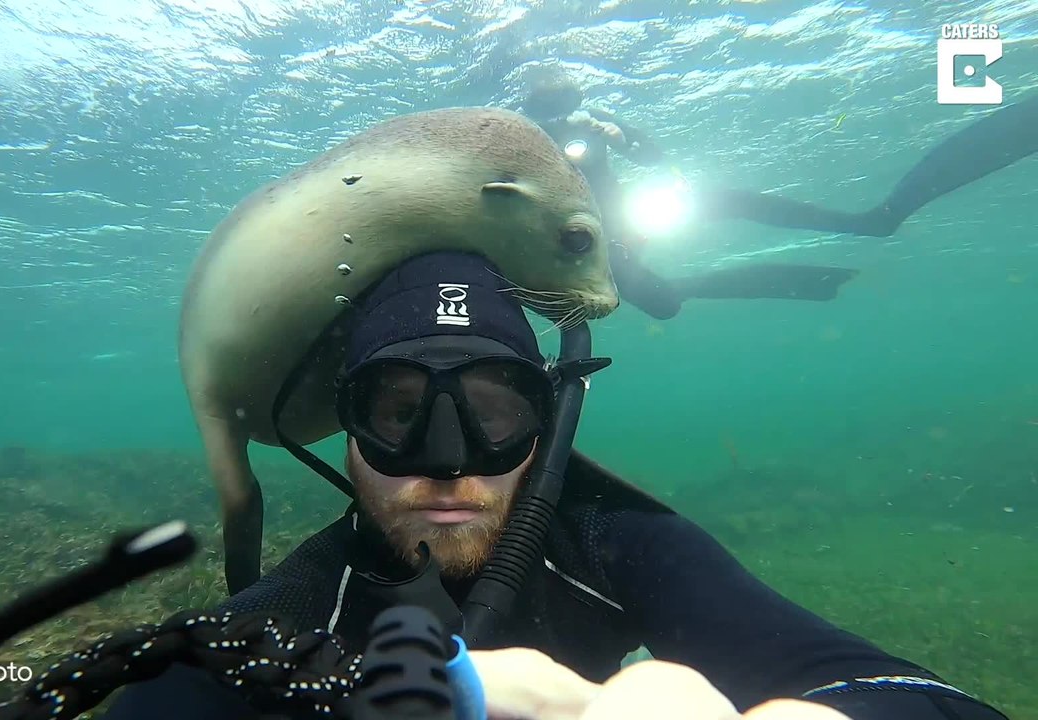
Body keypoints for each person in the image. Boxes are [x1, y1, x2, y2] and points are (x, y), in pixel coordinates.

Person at [102, 251, 1009, 720]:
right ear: (347, 432)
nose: (447, 460)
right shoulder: (306, 600)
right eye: (398, 412)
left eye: (494, 414)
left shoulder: (610, 541)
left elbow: (930, 702)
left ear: (550, 423)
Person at [517, 75, 1038, 320]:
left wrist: (618, 134)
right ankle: (714, 282)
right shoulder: (517, 142)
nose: (561, 113)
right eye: (550, 105)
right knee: (663, 302)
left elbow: (653, 157)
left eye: (566, 102)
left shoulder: (598, 125)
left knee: (715, 199)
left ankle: (874, 219)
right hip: (594, 247)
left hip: (627, 219)